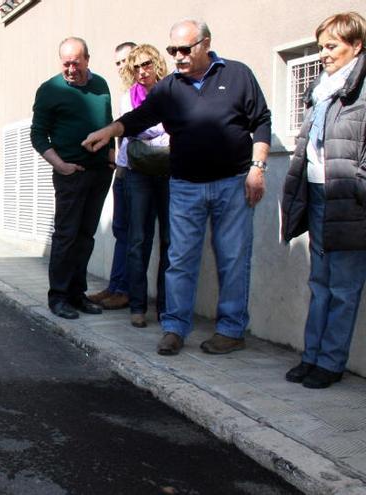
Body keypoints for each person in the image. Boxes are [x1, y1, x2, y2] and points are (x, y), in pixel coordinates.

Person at [83, 19, 271, 356]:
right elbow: (140, 117)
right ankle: (174, 328)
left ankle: (230, 330)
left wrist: (258, 169)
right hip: (185, 186)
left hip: (232, 183)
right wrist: (109, 132)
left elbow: (261, 121)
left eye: (185, 49)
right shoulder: (169, 87)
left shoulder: (238, 74)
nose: (178, 56)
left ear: (206, 43)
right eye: (173, 50)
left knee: (233, 258)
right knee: (180, 259)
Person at [281, 12, 366, 389]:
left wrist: (357, 185)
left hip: (349, 200)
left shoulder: (361, 90)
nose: (323, 53)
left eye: (332, 46)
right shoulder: (321, 88)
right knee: (320, 282)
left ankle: (331, 363)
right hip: (317, 194)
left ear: (356, 45)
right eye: (321, 46)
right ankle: (312, 356)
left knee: (344, 287)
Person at [31, 36, 115, 320]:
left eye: (75, 63)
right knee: (66, 236)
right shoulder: (50, 90)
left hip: (100, 174)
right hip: (70, 175)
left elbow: (108, 123)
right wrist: (61, 165)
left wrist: (112, 156)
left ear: (87, 60)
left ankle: (78, 295)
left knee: (86, 236)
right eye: (65, 63)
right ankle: (59, 297)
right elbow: (38, 135)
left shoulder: (101, 85)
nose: (70, 69)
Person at [118, 44, 171, 329]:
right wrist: (162, 126)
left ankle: (165, 307)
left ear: (157, 64)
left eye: (146, 64)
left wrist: (150, 126)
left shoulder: (171, 91)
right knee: (138, 240)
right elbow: (133, 126)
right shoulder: (128, 97)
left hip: (169, 171)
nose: (142, 71)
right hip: (138, 172)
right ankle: (138, 306)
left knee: (170, 241)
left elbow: (171, 124)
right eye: (135, 67)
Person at [88, 41, 136, 311]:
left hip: (143, 172)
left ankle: (127, 290)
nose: (122, 67)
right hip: (123, 168)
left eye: (126, 60)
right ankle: (116, 285)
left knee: (134, 234)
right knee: (121, 230)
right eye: (117, 63)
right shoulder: (125, 94)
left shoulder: (146, 93)